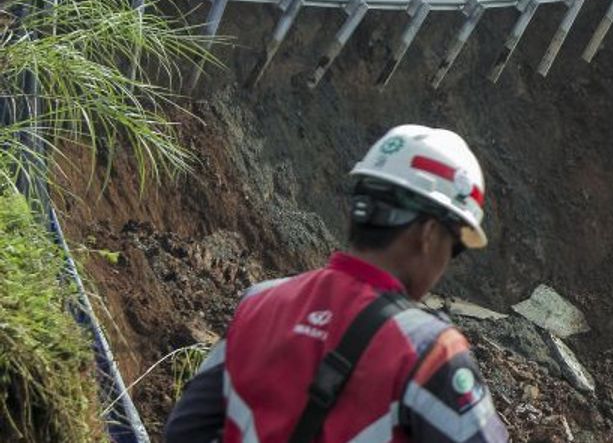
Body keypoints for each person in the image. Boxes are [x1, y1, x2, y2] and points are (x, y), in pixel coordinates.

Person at [164, 125, 509, 443]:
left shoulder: (257, 302)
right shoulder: (429, 351)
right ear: (428, 233)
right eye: (457, 246)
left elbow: (185, 432)